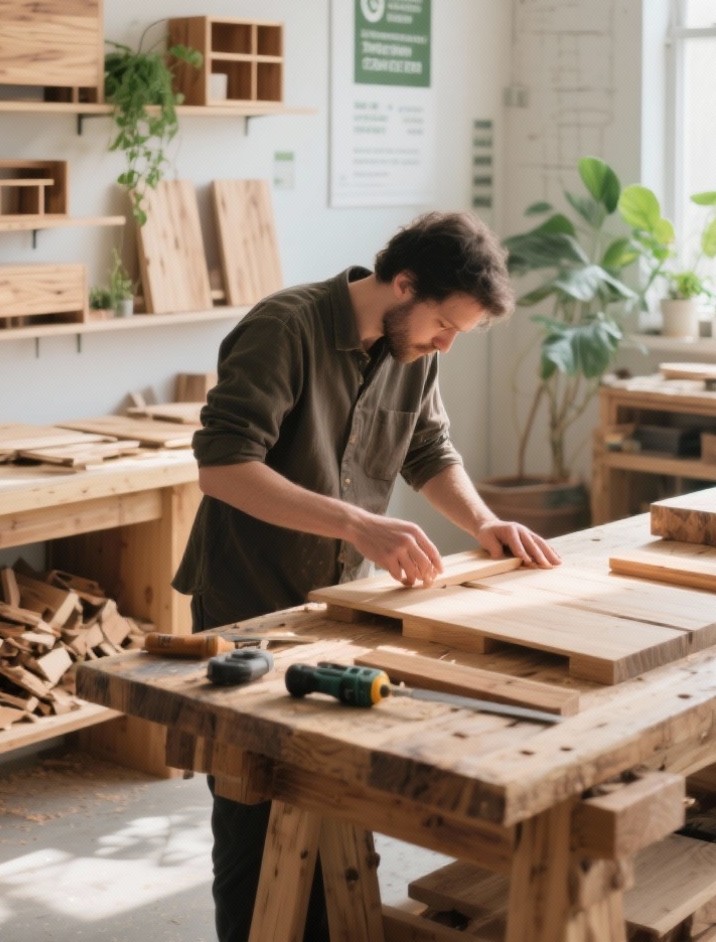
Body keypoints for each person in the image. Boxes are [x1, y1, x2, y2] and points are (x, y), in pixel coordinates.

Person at [172, 209, 562, 942]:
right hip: (247, 601)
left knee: (336, 795)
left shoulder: (411, 346)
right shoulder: (284, 329)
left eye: (459, 333)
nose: (445, 343)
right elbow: (222, 469)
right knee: (254, 812)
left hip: (336, 606)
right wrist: (357, 523)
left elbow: (428, 450)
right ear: (403, 283)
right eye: (444, 324)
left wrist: (485, 523)